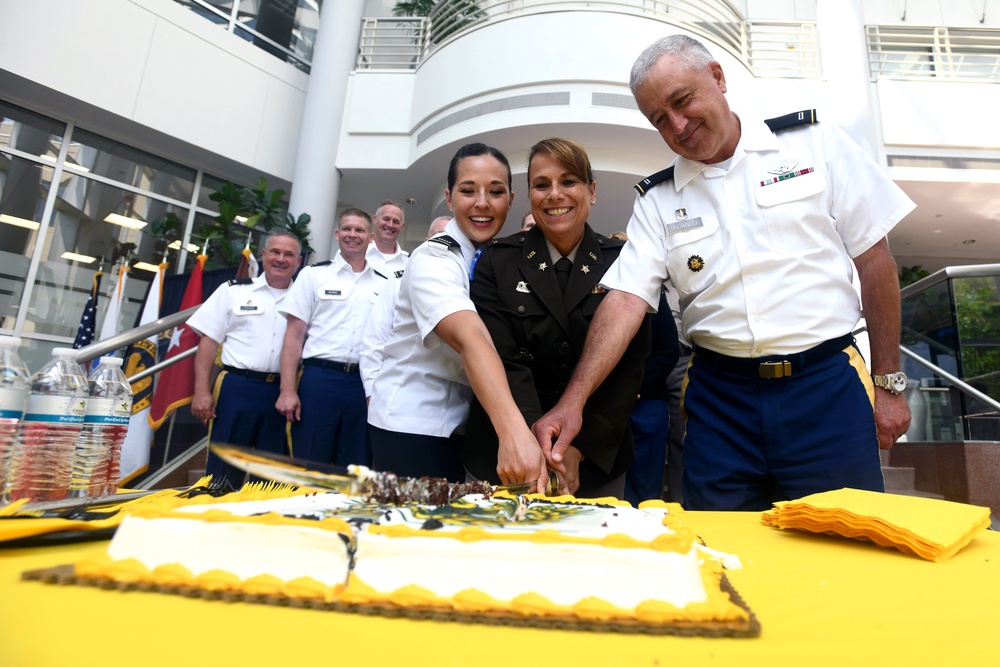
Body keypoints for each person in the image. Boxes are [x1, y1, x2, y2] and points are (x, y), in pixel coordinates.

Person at [533, 34, 916, 511]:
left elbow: (874, 260)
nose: (677, 124)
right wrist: (573, 402)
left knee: (845, 550)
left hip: (826, 390)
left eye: (681, 100)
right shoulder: (659, 199)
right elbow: (626, 300)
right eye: (659, 119)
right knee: (721, 555)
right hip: (720, 402)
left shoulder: (814, 145)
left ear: (717, 77)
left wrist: (889, 384)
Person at [465, 138, 650, 499]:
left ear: (591, 191)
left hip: (595, 456)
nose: (554, 194)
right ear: (529, 195)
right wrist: (536, 445)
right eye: (541, 184)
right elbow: (500, 357)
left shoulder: (625, 260)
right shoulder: (496, 261)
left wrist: (575, 451)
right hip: (507, 453)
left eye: (568, 182)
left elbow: (631, 366)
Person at [367, 143, 547, 489]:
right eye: (468, 191)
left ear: (510, 200)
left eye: (495, 192)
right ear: (449, 199)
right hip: (413, 425)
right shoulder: (434, 259)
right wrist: (513, 432)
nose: (482, 203)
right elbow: (470, 338)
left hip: (460, 426)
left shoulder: (495, 260)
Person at [188, 230, 302, 487]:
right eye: (274, 252)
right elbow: (208, 342)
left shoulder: (306, 298)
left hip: (282, 393)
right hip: (236, 388)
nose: (281, 259)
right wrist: (201, 392)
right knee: (222, 472)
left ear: (298, 261)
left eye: (289, 254)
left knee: (271, 479)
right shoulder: (233, 292)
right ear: (263, 255)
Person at [277, 209, 385, 467]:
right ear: (337, 234)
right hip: (319, 380)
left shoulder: (385, 284)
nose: (352, 235)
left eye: (359, 230)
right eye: (346, 229)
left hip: (365, 382)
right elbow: (293, 336)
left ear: (370, 237)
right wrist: (287, 390)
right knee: (310, 459)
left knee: (357, 463)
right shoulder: (313, 275)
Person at [360, 215, 451, 399]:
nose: (446, 243)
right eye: (439, 235)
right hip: (396, 395)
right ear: (427, 241)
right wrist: (371, 393)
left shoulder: (470, 286)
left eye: (451, 238)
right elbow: (374, 341)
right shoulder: (397, 282)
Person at [366, 199, 408, 274]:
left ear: (402, 227)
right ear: (375, 219)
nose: (390, 225)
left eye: (396, 221)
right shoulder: (357, 254)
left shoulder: (408, 262)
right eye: (386, 219)